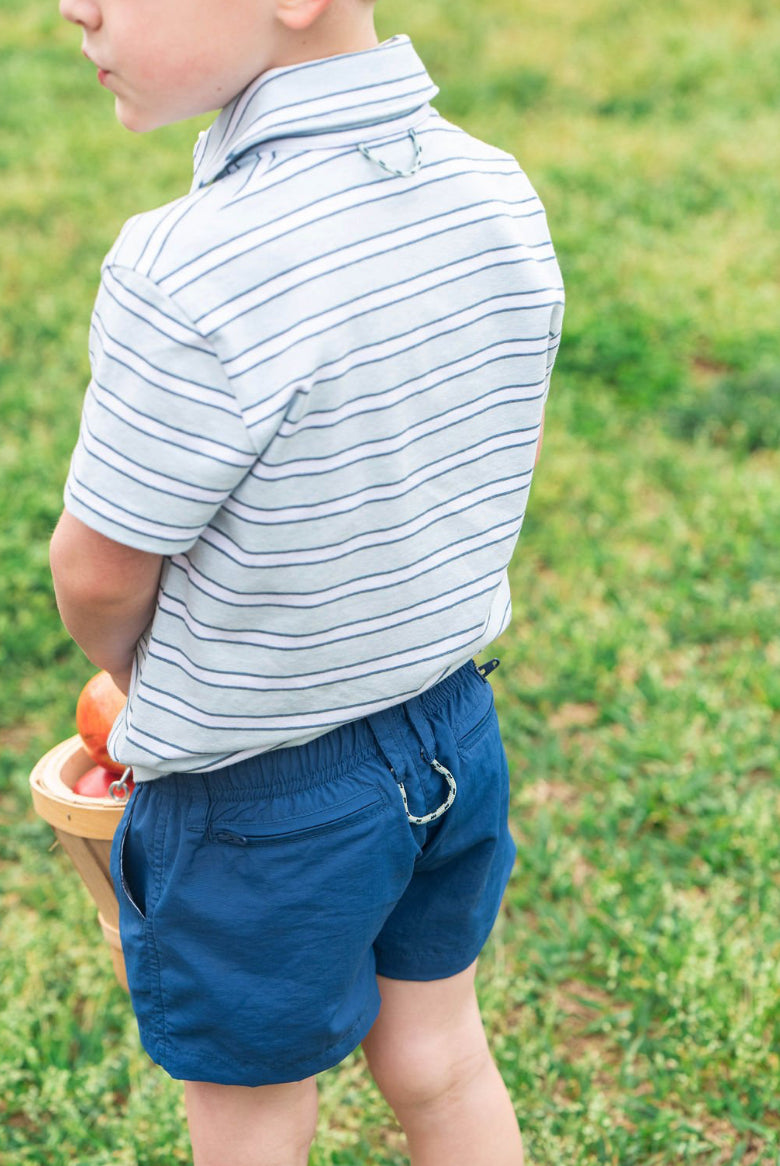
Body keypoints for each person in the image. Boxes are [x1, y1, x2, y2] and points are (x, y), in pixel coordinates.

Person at [50, 0, 564, 1161]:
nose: (72, 6)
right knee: (440, 1056)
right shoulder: (499, 190)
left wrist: (137, 669)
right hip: (449, 731)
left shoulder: (186, 263)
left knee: (254, 1117)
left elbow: (95, 569)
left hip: (254, 802)